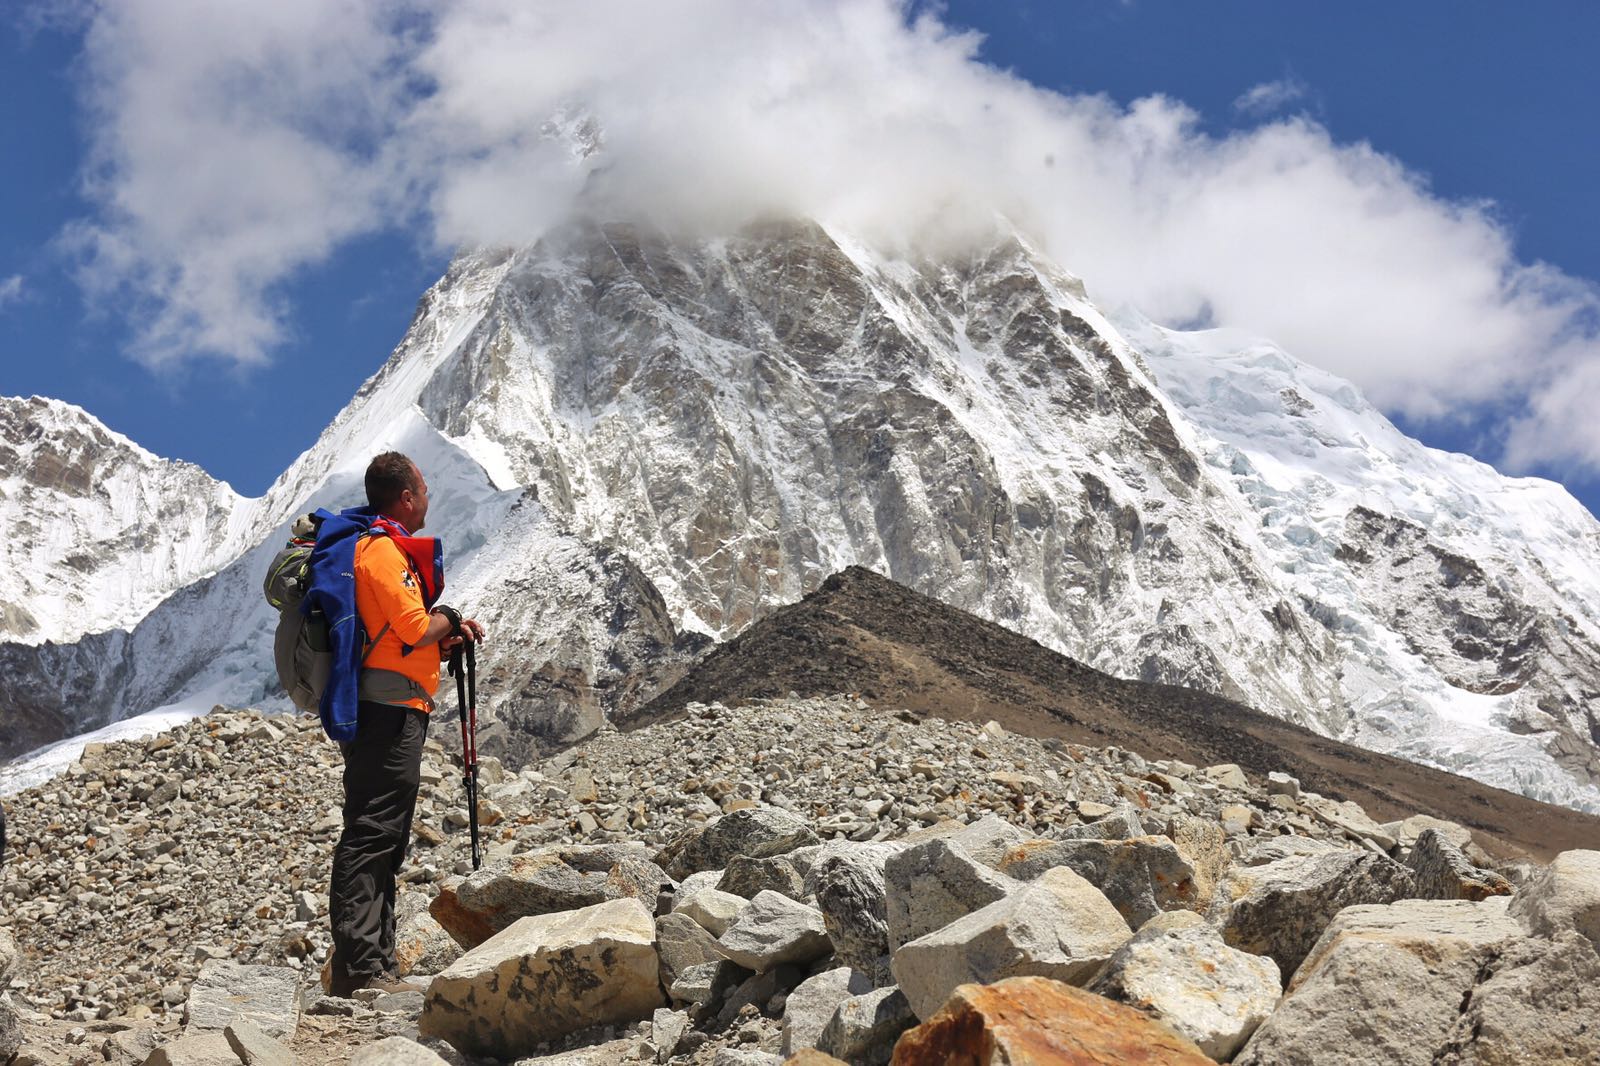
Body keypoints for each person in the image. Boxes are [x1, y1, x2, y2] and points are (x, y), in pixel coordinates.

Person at [327, 451, 485, 997]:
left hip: (398, 706)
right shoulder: (381, 551)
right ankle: (359, 969)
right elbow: (415, 626)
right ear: (407, 497)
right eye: (423, 489)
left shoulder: (382, 549)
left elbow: (401, 642)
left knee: (385, 836)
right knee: (372, 832)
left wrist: (446, 642)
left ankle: (376, 963)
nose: (428, 499)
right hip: (386, 714)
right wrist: (452, 618)